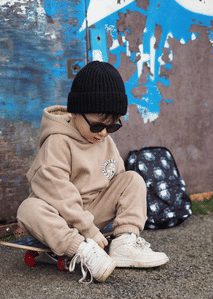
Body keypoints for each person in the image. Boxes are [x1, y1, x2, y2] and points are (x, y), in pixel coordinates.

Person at [17, 61, 169, 283]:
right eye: (97, 126)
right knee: (28, 209)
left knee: (132, 179)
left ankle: (124, 244)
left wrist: (106, 221)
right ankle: (82, 251)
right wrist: (87, 231)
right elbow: (59, 192)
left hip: (91, 214)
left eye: (113, 127)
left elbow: (119, 181)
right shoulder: (58, 142)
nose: (104, 133)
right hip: (59, 218)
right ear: (76, 112)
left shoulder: (104, 139)